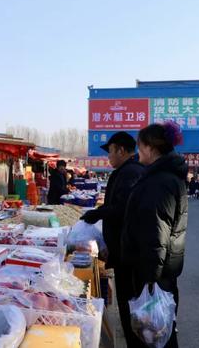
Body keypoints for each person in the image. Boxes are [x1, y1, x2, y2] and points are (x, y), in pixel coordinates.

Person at [121, 122, 188, 348]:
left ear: (150, 148)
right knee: (162, 333)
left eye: (140, 146)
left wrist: (150, 281)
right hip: (162, 272)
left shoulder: (158, 182)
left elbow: (155, 235)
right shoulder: (166, 177)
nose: (138, 151)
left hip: (153, 274)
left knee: (153, 336)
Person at [80, 132, 145, 347]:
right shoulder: (127, 171)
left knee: (128, 301)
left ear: (121, 150)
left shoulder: (130, 173)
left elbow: (123, 208)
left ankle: (135, 340)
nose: (108, 157)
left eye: (110, 151)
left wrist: (98, 213)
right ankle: (134, 337)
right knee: (128, 300)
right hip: (123, 248)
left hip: (128, 251)